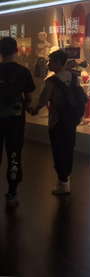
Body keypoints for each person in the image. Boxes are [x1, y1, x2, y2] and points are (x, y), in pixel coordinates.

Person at [27, 50, 83, 195]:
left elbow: (43, 100)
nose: (48, 64)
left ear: (57, 62)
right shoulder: (74, 77)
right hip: (71, 119)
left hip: (57, 120)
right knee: (69, 148)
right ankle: (67, 178)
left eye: (50, 61)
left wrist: (34, 109)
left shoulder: (51, 81)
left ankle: (62, 181)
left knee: (58, 149)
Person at [0, 37, 36, 208]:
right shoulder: (23, 72)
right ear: (16, 51)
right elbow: (29, 97)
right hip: (15, 121)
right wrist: (23, 108)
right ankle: (12, 193)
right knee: (14, 155)